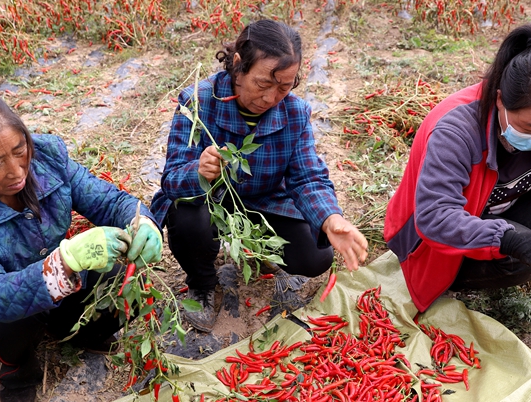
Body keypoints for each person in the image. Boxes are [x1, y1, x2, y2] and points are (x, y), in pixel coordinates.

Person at [0, 90, 162, 402]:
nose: (16, 171)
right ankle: (18, 366)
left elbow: (107, 200)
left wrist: (142, 221)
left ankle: (75, 331)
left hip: (52, 274)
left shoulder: (48, 157)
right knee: (8, 325)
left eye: (20, 150)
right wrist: (67, 261)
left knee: (120, 277)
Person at [151, 19, 368, 332]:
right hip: (209, 202)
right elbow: (171, 178)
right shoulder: (198, 101)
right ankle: (202, 282)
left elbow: (307, 177)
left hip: (263, 202)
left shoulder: (294, 113)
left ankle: (257, 250)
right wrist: (198, 171)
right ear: (239, 65)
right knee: (188, 218)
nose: (271, 98)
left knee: (316, 256)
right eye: (264, 84)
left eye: (285, 86)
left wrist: (330, 219)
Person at [384, 23, 531, 312]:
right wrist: (509, 240)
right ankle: (461, 275)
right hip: (431, 239)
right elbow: (435, 217)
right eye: (529, 127)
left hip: (501, 205)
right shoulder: (455, 130)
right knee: (522, 262)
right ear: (500, 100)